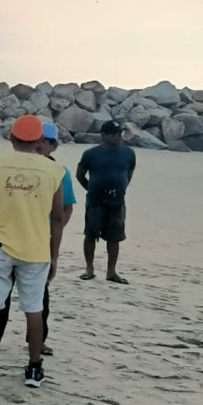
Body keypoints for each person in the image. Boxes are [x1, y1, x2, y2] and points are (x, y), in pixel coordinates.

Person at [0, 115, 66, 388]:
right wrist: (54, 254)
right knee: (34, 308)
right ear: (38, 141)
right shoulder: (54, 171)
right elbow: (58, 218)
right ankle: (34, 368)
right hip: (36, 248)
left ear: (11, 137)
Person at [0, 122, 77, 356]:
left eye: (45, 141)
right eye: (37, 139)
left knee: (38, 298)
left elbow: (66, 209)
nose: (39, 145)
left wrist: (53, 234)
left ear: (53, 145)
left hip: (38, 240)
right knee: (1, 294)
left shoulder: (59, 172)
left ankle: (38, 342)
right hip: (8, 238)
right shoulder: (11, 166)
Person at [77, 120, 136, 284]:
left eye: (120, 133)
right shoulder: (91, 153)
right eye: (114, 133)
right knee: (91, 234)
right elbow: (80, 174)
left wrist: (122, 186)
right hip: (96, 200)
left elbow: (130, 171)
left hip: (117, 200)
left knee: (115, 236)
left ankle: (111, 271)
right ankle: (89, 269)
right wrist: (90, 188)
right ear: (103, 135)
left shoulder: (129, 153)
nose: (118, 136)